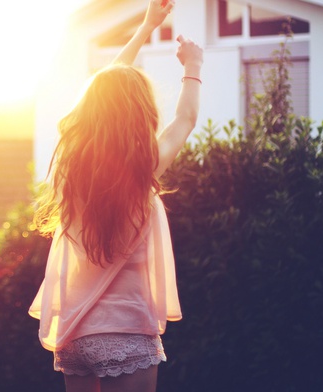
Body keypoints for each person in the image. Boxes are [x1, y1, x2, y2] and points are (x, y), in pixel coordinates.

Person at [28, 1, 203, 391]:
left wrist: (144, 28)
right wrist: (193, 66)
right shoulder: (141, 173)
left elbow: (101, 93)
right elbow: (185, 120)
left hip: (75, 334)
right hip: (126, 331)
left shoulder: (73, 171)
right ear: (141, 115)